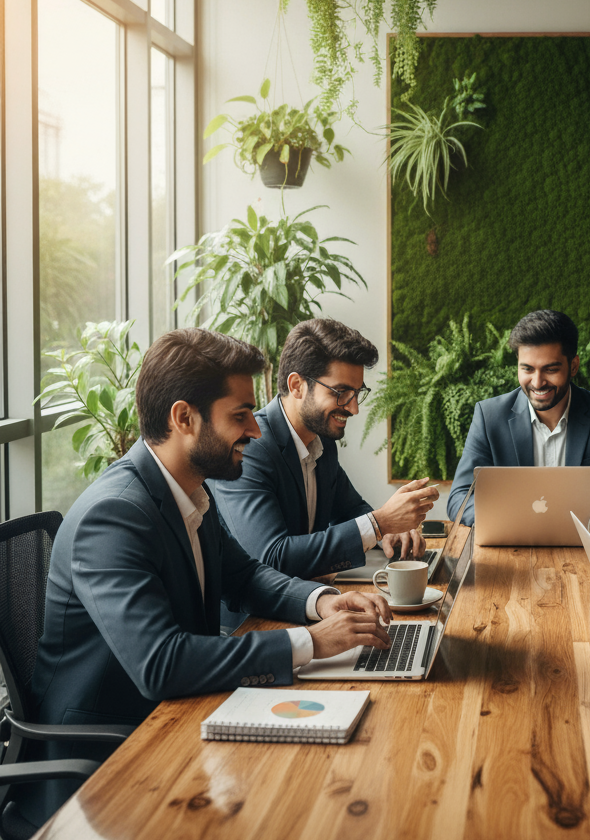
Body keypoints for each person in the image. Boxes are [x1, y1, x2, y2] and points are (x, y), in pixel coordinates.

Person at [21, 329, 393, 828]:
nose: (256, 431)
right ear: (184, 418)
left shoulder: (190, 491)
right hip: (105, 767)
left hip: (179, 720)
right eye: (240, 415)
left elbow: (247, 576)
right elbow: (161, 663)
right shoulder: (113, 515)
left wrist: (322, 601)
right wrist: (311, 642)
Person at [212, 319, 437, 586]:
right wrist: (379, 524)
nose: (353, 408)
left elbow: (350, 509)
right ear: (296, 385)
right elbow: (272, 557)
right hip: (261, 610)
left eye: (357, 393)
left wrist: (387, 532)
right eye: (340, 392)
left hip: (312, 594)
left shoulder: (322, 440)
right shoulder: (251, 448)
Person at [447, 309, 590, 528]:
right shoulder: (489, 417)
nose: (537, 382)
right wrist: (507, 524)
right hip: (510, 540)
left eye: (550, 370)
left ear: (573, 366)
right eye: (527, 369)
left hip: (588, 541)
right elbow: (460, 497)